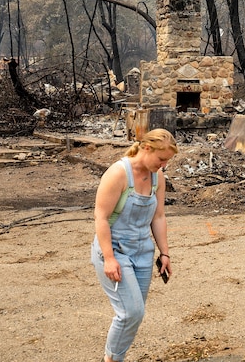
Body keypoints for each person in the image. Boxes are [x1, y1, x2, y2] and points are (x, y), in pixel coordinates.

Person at [91, 128, 177, 362]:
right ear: (146, 148)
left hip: (142, 253)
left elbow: (158, 217)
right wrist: (109, 258)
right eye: (161, 159)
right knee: (131, 312)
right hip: (115, 250)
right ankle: (111, 360)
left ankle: (115, 357)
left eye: (167, 161)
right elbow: (101, 217)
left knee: (134, 315)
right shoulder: (118, 174)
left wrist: (165, 253)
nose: (163, 165)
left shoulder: (158, 178)